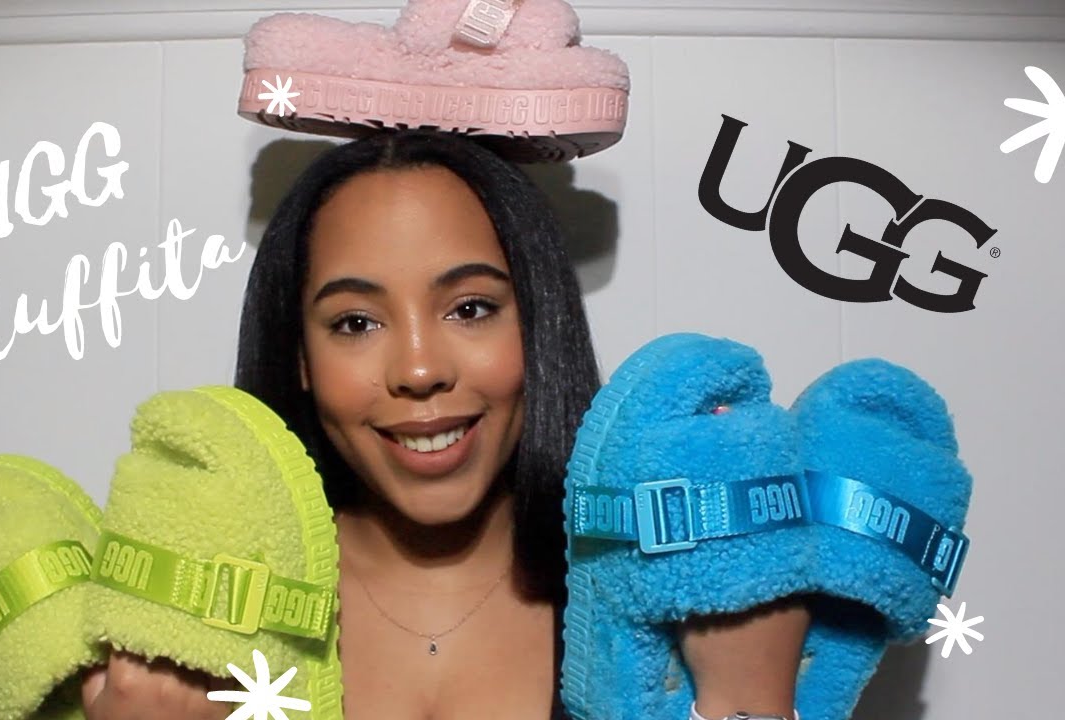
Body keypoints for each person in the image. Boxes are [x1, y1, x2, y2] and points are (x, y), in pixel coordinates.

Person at [82, 130, 810, 719]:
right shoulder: (191, 614)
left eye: (470, 308)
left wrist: (747, 702)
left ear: (538, 325)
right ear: (299, 355)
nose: (420, 368)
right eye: (356, 322)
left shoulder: (677, 587)